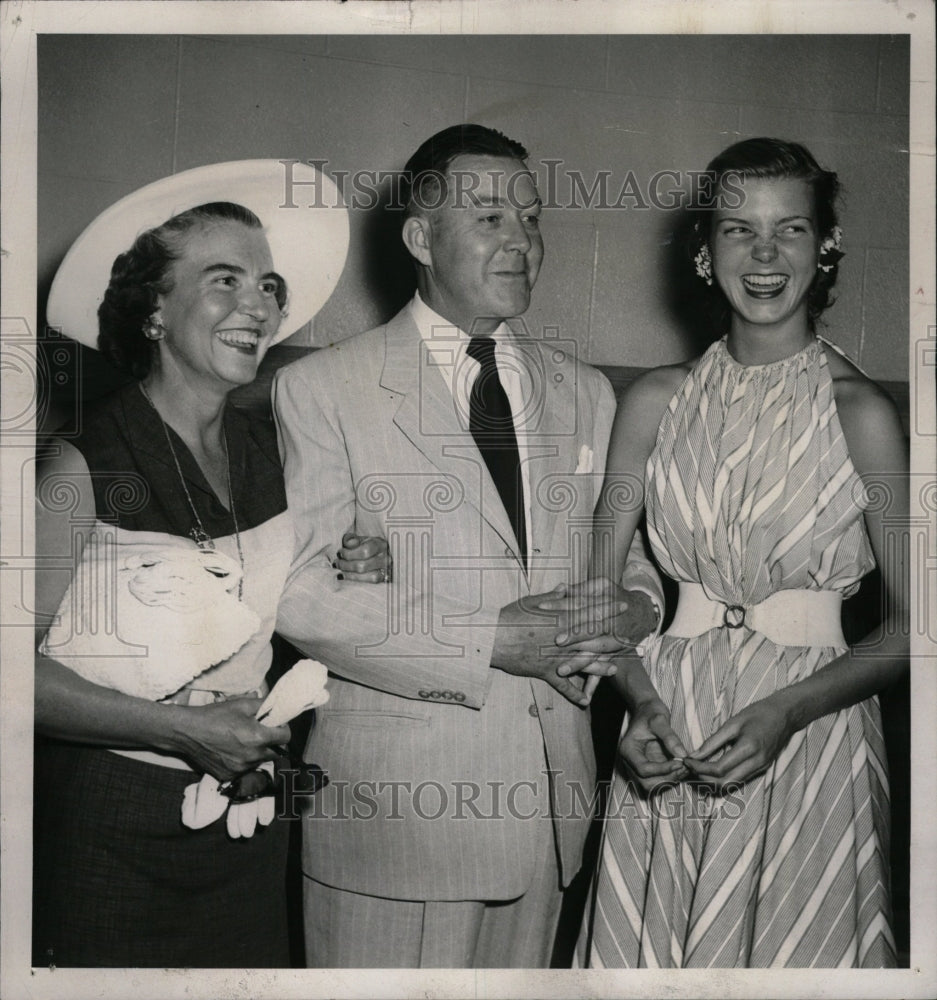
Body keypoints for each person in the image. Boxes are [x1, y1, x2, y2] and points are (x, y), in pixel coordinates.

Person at [272, 123, 664, 969]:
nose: (520, 240)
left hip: (551, 813)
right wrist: (489, 641)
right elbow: (302, 594)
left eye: (530, 218)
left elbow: (629, 566)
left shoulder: (587, 393)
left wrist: (634, 607)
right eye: (488, 217)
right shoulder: (322, 387)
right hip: (396, 822)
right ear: (420, 238)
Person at [33, 167, 387, 968]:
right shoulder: (80, 464)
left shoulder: (274, 452)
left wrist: (360, 561)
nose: (257, 305)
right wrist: (182, 730)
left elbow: (283, 604)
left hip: (244, 824)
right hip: (106, 825)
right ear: (153, 308)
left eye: (267, 285)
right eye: (224, 280)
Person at [572, 137, 908, 968]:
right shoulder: (651, 400)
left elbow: (916, 626)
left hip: (810, 731)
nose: (762, 256)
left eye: (789, 230)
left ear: (824, 247)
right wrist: (637, 705)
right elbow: (596, 589)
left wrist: (786, 710)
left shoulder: (861, 411)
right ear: (702, 250)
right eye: (736, 230)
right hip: (668, 732)